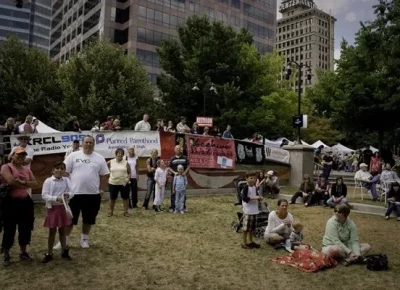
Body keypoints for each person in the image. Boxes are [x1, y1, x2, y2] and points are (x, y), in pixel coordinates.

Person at [59, 136, 109, 249]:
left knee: (88, 218)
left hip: (92, 195)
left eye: (91, 142)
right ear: (82, 143)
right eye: (86, 142)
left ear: (94, 144)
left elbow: (105, 174)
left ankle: (84, 239)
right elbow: (64, 172)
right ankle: (64, 241)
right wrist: (67, 186)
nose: (88, 144)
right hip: (74, 194)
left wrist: (101, 190)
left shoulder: (99, 158)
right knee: (70, 219)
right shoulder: (73, 156)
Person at [0, 147, 37, 266]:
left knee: (25, 227)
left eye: (23, 156)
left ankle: (23, 252)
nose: (21, 157)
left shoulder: (26, 170)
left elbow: (35, 183)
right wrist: (26, 185)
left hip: (25, 201)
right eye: (18, 155)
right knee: (9, 228)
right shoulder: (6, 167)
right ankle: (6, 252)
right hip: (10, 202)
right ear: (11, 156)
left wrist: (24, 183)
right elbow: (10, 181)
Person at [41, 162, 73, 263]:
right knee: (52, 232)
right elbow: (44, 195)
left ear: (64, 171)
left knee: (62, 231)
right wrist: (56, 198)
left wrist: (68, 195)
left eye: (62, 168)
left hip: (63, 208)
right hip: (52, 209)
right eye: (57, 168)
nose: (59, 170)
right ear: (53, 170)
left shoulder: (66, 180)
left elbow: (72, 192)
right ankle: (49, 253)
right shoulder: (48, 181)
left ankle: (64, 251)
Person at [241, 171, 263, 249]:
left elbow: (256, 195)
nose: (253, 180)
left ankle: (250, 241)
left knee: (252, 228)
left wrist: (259, 198)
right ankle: (244, 243)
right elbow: (244, 198)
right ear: (246, 179)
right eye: (251, 178)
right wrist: (255, 198)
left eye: (254, 178)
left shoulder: (254, 187)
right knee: (246, 228)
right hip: (248, 211)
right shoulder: (246, 187)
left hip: (254, 210)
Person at [107, 148, 130, 217]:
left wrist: (128, 179)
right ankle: (110, 212)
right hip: (113, 183)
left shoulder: (126, 162)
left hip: (124, 183)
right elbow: (104, 168)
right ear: (116, 154)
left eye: (121, 153)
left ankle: (126, 212)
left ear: (123, 155)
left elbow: (129, 172)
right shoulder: (111, 161)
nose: (120, 154)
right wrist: (108, 177)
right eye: (118, 153)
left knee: (125, 198)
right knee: (112, 198)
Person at [168, 145, 190, 212]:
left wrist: (185, 173)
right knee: (173, 192)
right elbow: (169, 167)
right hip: (175, 178)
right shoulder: (172, 159)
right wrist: (174, 172)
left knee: (183, 193)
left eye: (179, 149)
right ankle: (173, 207)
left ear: (181, 150)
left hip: (182, 179)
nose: (178, 150)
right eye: (176, 149)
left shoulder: (185, 158)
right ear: (174, 150)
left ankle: (183, 207)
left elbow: (189, 166)